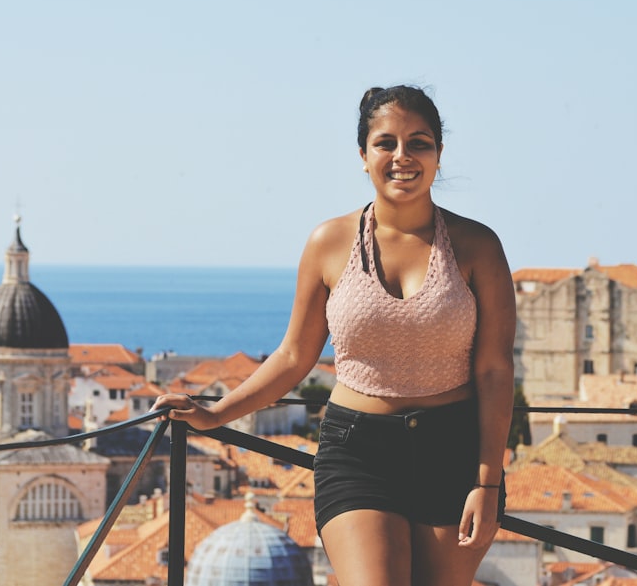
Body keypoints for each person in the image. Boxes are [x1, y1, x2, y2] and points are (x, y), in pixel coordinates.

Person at [152, 85, 515, 586]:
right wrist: (215, 414)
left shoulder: (478, 245)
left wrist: (488, 483)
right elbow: (295, 355)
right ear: (363, 156)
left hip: (452, 454)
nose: (402, 157)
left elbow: (495, 370)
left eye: (420, 142)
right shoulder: (329, 242)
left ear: (438, 154)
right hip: (357, 452)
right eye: (386, 142)